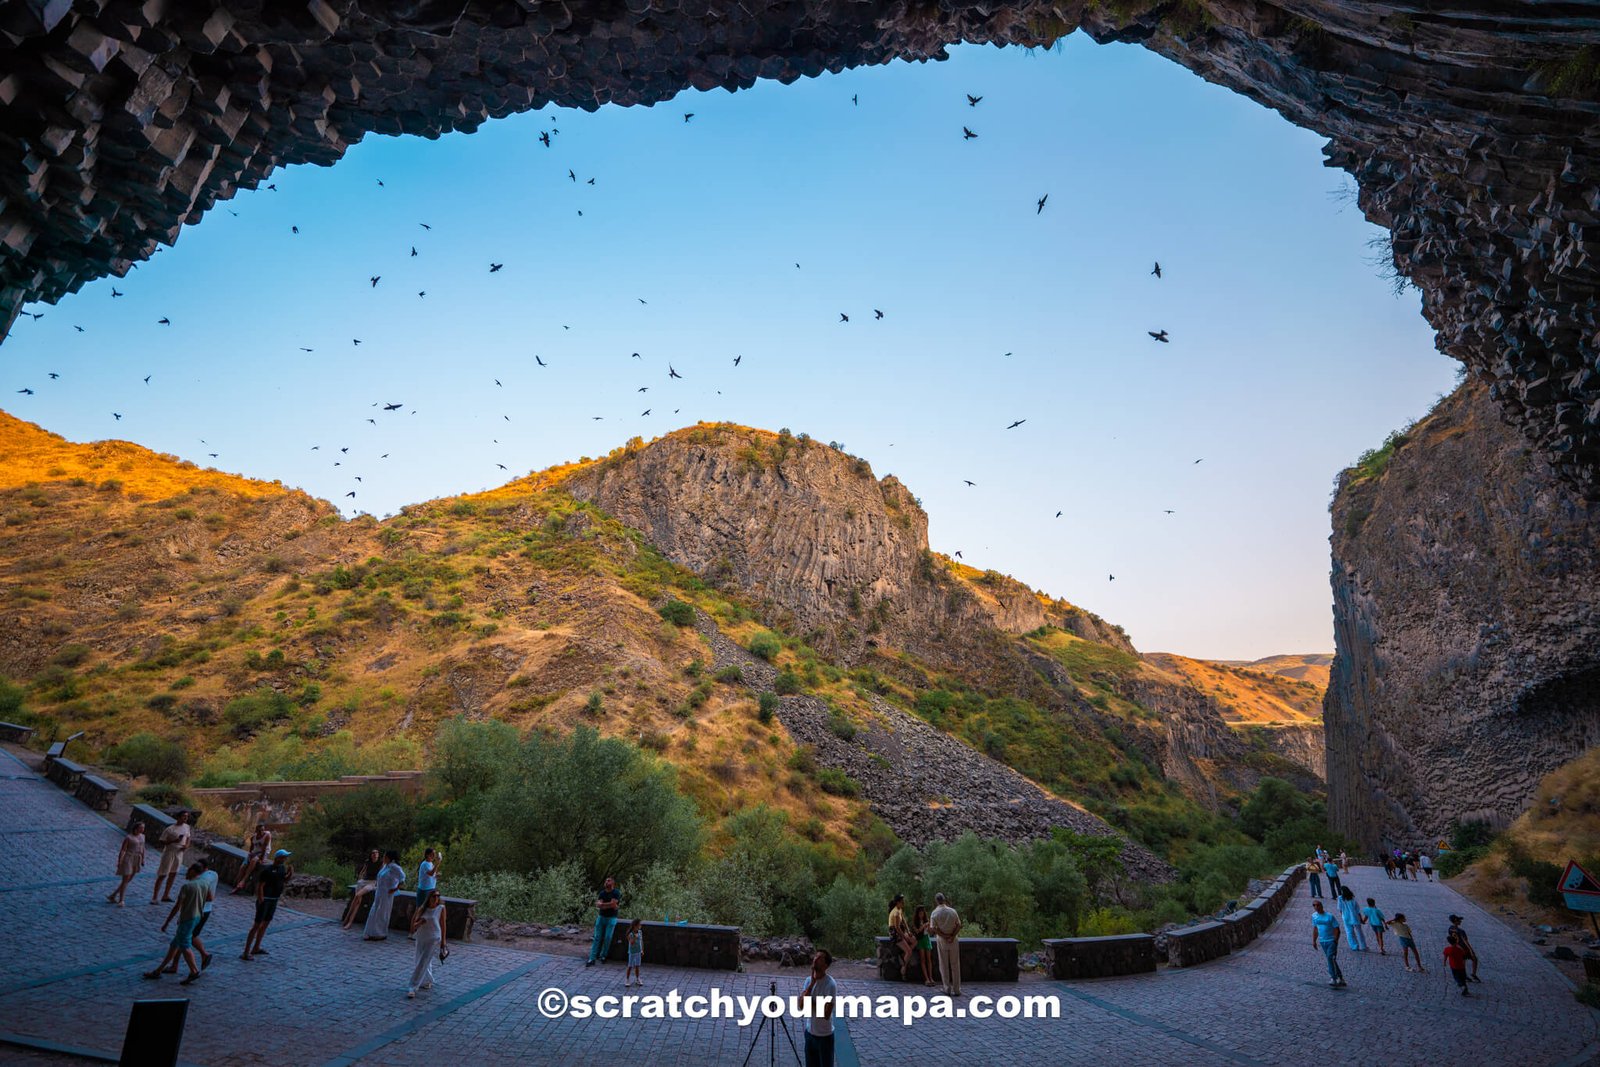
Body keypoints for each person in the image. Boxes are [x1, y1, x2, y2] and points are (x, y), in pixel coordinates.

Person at [144, 862, 208, 985]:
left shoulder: (187, 886)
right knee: (174, 945)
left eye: (188, 870)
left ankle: (194, 971)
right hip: (197, 917)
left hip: (187, 919)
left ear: (193, 871)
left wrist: (167, 922)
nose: (186, 873)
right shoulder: (204, 883)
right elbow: (208, 898)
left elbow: (177, 907)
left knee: (185, 945)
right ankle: (158, 970)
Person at [242, 848, 292, 961]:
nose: (285, 859)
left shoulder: (282, 868)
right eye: (283, 857)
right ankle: (246, 952)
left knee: (265, 924)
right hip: (266, 900)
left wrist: (290, 873)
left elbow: (283, 880)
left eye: (285, 857)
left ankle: (256, 947)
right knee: (257, 925)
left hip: (274, 899)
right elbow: (260, 885)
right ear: (277, 858)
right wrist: (261, 899)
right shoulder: (267, 870)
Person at [800, 949, 838, 1067]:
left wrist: (810, 1002)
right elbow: (801, 1005)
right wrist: (811, 984)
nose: (815, 959)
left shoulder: (830, 984)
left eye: (820, 958)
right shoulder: (808, 981)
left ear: (826, 965)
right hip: (810, 1033)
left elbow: (826, 1014)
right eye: (815, 956)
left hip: (824, 1037)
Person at [407, 889, 447, 998]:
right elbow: (413, 927)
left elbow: (443, 925)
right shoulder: (422, 909)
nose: (436, 898)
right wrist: (421, 922)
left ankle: (413, 986)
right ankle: (427, 980)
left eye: (438, 896)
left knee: (423, 961)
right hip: (421, 937)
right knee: (420, 959)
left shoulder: (441, 908)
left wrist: (443, 942)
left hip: (434, 938)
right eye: (434, 896)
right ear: (429, 897)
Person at [151, 811, 192, 905]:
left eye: (186, 816)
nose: (185, 818)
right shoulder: (170, 829)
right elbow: (162, 841)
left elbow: (188, 838)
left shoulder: (187, 827)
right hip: (169, 852)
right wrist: (174, 841)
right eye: (183, 816)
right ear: (178, 817)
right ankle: (155, 897)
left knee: (173, 874)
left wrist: (187, 845)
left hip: (179, 853)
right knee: (163, 874)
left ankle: (166, 895)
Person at [364, 851, 407, 941]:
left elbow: (402, 878)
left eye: (385, 856)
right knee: (374, 911)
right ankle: (370, 932)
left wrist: (394, 889)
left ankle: (380, 933)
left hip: (387, 894)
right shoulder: (385, 866)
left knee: (382, 913)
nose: (383, 858)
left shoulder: (394, 867)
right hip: (379, 893)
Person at [929, 892, 962, 997]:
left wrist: (944, 936)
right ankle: (957, 989)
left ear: (936, 901)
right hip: (953, 940)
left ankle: (947, 988)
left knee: (944, 965)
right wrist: (952, 936)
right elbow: (959, 925)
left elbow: (933, 928)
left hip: (942, 940)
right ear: (944, 899)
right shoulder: (953, 911)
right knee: (955, 965)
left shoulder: (934, 913)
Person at [342, 849, 384, 929]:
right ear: (371, 855)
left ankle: (349, 921)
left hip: (372, 883)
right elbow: (362, 872)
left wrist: (378, 884)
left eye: (376, 853)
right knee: (357, 901)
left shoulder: (380, 863)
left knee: (357, 895)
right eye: (373, 853)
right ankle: (348, 919)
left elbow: (381, 875)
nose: (375, 854)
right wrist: (360, 878)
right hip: (363, 882)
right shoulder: (368, 862)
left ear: (378, 855)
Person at [107, 821, 146, 906]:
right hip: (129, 858)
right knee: (125, 879)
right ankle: (121, 900)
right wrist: (120, 861)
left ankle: (113, 895)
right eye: (141, 827)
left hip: (137, 858)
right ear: (136, 828)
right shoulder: (129, 837)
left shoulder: (142, 836)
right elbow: (123, 850)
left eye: (143, 828)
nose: (143, 829)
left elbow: (143, 848)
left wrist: (143, 859)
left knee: (129, 879)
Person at [584, 876, 621, 966]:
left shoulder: (616, 892)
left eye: (608, 881)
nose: (606, 882)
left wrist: (604, 904)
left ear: (613, 883)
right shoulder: (602, 893)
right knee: (597, 937)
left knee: (608, 937)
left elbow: (613, 904)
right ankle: (592, 958)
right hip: (601, 917)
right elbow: (600, 905)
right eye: (606, 881)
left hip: (611, 918)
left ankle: (603, 955)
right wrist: (610, 905)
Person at [1311, 899, 1346, 987]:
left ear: (1321, 906)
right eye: (1314, 905)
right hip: (1323, 942)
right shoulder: (1314, 916)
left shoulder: (1329, 916)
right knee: (1332, 959)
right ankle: (1340, 977)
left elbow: (1337, 928)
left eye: (1318, 905)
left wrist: (1335, 940)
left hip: (1331, 941)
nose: (1316, 907)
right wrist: (1314, 941)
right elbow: (1315, 929)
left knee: (1330, 957)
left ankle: (1333, 978)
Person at [410, 848, 439, 941]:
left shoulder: (430, 864)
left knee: (425, 911)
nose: (434, 856)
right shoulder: (425, 864)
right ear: (427, 855)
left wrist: (436, 875)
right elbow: (430, 873)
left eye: (434, 854)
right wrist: (438, 863)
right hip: (424, 890)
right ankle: (412, 932)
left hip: (430, 888)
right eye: (432, 854)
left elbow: (432, 874)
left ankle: (418, 932)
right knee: (418, 910)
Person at [234, 822, 272, 893]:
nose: (261, 832)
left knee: (253, 861)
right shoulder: (253, 838)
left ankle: (243, 880)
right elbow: (251, 847)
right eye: (259, 830)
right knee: (243, 866)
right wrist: (250, 854)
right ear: (256, 831)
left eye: (262, 830)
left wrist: (261, 859)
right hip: (254, 853)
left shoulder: (267, 835)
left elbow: (264, 849)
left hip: (263, 853)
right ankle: (238, 885)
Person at [1447, 914, 1481, 982]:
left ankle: (1464, 975)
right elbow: (1465, 941)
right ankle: (1473, 974)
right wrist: (1471, 950)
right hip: (1464, 948)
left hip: (1457, 947)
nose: (1460, 921)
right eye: (1459, 920)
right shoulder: (1461, 931)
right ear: (1456, 921)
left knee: (1463, 961)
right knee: (1474, 959)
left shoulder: (1450, 929)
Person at [887, 894, 915, 975]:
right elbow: (897, 928)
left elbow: (904, 921)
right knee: (909, 951)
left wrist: (908, 931)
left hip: (901, 931)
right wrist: (904, 937)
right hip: (895, 934)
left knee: (914, 940)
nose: (903, 903)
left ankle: (903, 956)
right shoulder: (895, 912)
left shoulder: (899, 909)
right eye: (902, 901)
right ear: (898, 902)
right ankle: (903, 967)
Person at [912, 905, 936, 987]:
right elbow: (917, 931)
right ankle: (926, 979)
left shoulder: (927, 920)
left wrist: (929, 927)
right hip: (920, 940)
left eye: (922, 913)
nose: (921, 915)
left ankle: (931, 977)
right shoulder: (915, 922)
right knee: (923, 959)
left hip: (927, 939)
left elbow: (930, 932)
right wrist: (923, 926)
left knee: (929, 959)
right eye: (920, 913)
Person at [1338, 886, 1367, 951]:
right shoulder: (1353, 899)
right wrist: (1361, 919)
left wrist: (1342, 915)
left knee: (1349, 932)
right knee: (1359, 932)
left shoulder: (1340, 898)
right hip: (1355, 917)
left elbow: (1340, 909)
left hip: (1346, 917)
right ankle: (1363, 946)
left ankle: (1354, 946)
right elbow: (1358, 911)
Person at [1443, 932, 1471, 996]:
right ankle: (1465, 987)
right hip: (1461, 966)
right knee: (1463, 977)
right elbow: (1464, 955)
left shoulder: (1447, 949)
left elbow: (1445, 956)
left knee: (1457, 977)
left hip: (1454, 966)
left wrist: (1444, 962)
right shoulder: (1459, 949)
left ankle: (1463, 987)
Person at [624, 917, 644, 987]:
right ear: (635, 925)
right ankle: (627, 979)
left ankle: (637, 978)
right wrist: (635, 937)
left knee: (637, 966)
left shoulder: (640, 932)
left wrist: (642, 950)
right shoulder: (630, 934)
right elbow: (631, 943)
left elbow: (641, 941)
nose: (640, 926)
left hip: (638, 951)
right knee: (630, 966)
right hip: (632, 952)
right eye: (639, 925)